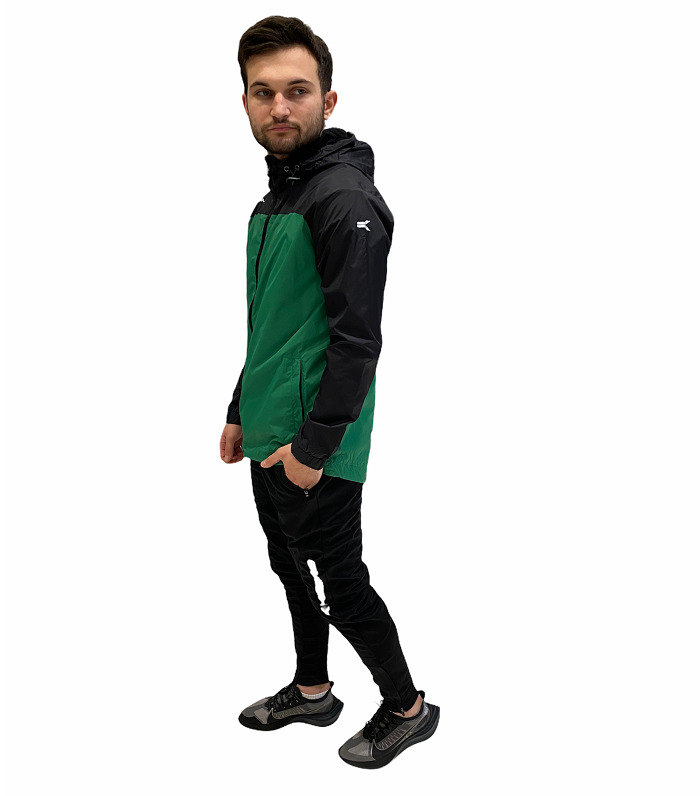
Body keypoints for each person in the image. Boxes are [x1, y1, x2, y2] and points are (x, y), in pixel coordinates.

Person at [219, 16, 440, 769]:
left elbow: (356, 343)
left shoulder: (343, 198)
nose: (280, 106)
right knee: (289, 566)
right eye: (263, 92)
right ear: (245, 101)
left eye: (297, 90)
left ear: (329, 99)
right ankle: (313, 690)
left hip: (318, 442)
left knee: (341, 584)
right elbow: (273, 325)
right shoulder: (278, 198)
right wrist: (239, 409)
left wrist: (313, 449)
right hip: (270, 429)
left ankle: (406, 708)